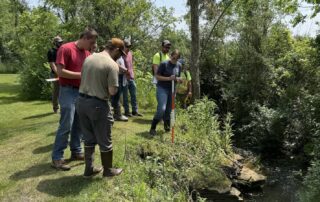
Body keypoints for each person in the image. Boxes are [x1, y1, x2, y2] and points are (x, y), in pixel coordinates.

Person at [76, 38, 125, 177]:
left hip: (81, 102)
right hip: (97, 105)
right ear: (116, 50)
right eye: (120, 54)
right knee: (105, 139)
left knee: (88, 137)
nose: (120, 56)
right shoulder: (112, 64)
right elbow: (112, 91)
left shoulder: (89, 58)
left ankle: (89, 169)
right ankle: (108, 171)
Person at [51, 28, 98, 171]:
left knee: (79, 124)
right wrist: (81, 75)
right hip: (67, 91)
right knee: (66, 124)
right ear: (84, 38)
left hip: (82, 92)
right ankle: (57, 157)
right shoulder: (66, 49)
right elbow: (60, 72)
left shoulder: (87, 52)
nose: (92, 46)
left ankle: (76, 151)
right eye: (91, 43)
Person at [149, 50, 182, 136]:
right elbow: (157, 76)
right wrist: (169, 78)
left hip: (172, 89)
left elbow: (177, 77)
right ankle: (153, 128)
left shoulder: (179, 65)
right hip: (162, 88)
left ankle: (167, 127)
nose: (175, 60)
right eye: (173, 57)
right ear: (171, 56)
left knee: (169, 110)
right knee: (162, 109)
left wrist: (178, 79)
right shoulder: (164, 64)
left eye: (177, 58)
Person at [122, 39, 143, 117]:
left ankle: (135, 111)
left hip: (131, 77)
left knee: (134, 95)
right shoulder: (120, 55)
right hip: (124, 78)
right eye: (127, 46)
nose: (128, 48)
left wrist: (132, 73)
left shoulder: (130, 53)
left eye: (129, 46)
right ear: (123, 46)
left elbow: (131, 64)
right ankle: (127, 112)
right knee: (125, 96)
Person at [47, 36, 63, 113]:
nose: (60, 43)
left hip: (63, 73)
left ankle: (64, 106)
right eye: (59, 42)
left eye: (61, 42)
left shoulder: (62, 50)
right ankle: (55, 107)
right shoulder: (51, 51)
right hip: (55, 74)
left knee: (64, 90)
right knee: (56, 91)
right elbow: (52, 65)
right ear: (55, 43)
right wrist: (58, 73)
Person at [111, 56, 129, 121]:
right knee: (115, 96)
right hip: (116, 76)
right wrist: (125, 69)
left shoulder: (120, 57)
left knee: (117, 96)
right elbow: (116, 64)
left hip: (121, 76)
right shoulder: (113, 56)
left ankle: (117, 114)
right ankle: (117, 115)